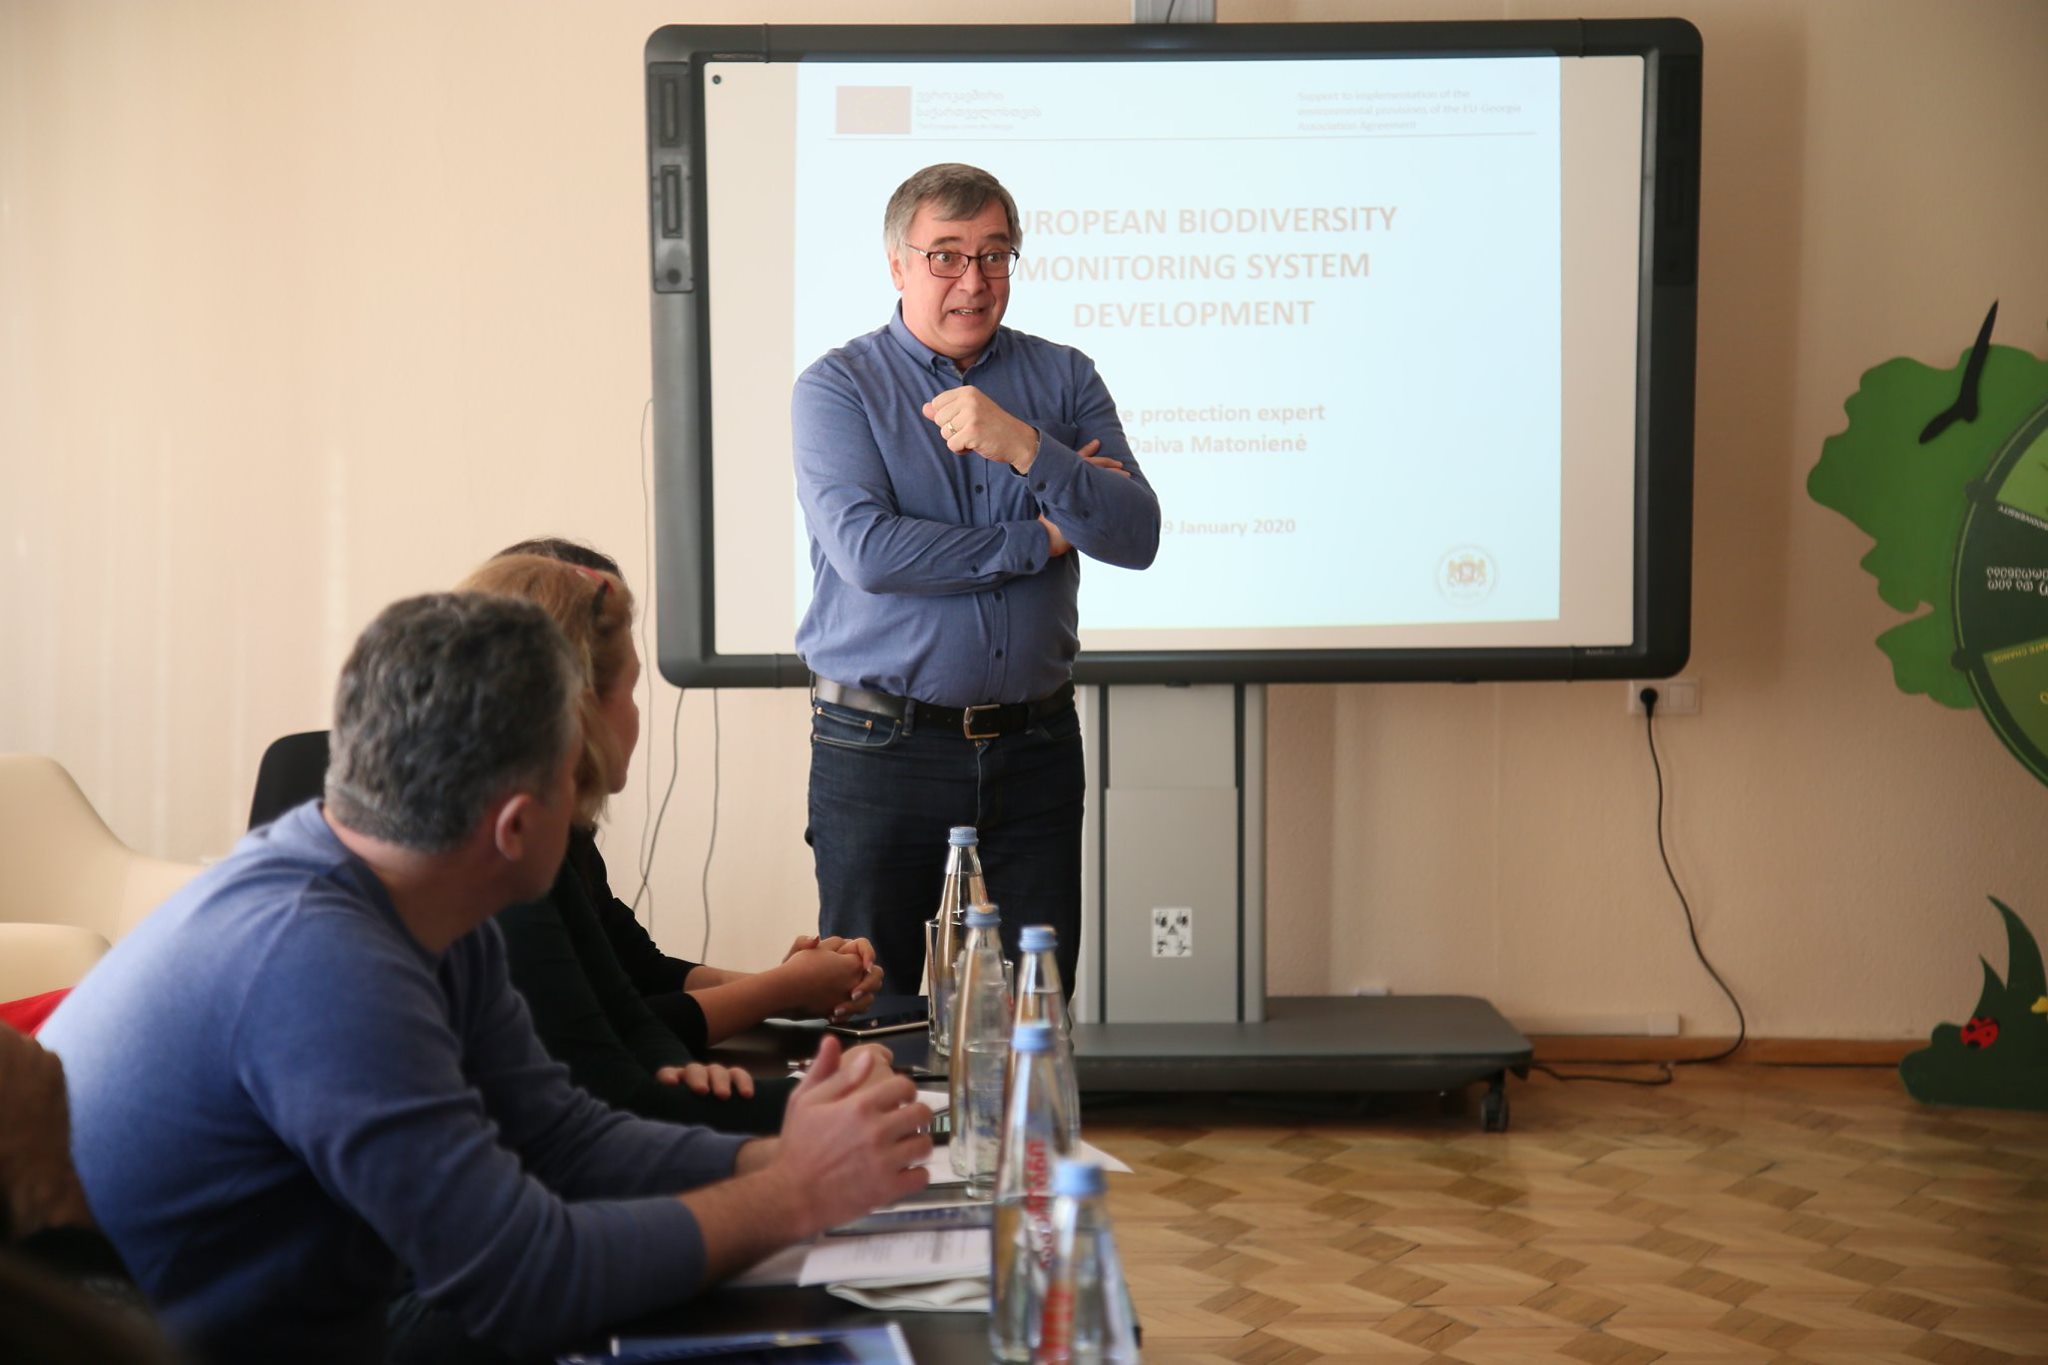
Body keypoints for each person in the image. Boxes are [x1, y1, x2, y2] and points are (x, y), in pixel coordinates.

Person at [39, 593, 931, 1365]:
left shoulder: (414, 889)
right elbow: (523, 1278)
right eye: (574, 774)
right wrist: (793, 1192)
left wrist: (780, 1157)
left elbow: (563, 1137)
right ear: (516, 825)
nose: (587, 799)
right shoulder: (319, 961)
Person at [792, 162, 1161, 993]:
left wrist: (1026, 447)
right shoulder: (838, 389)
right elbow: (871, 555)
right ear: (898, 264)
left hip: (1036, 746)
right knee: (872, 1003)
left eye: (995, 255)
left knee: (1036, 1005)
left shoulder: (1063, 378)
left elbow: (1135, 534)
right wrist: (1042, 535)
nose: (974, 281)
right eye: (947, 256)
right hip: (880, 746)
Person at [459, 549, 879, 1134]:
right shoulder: (506, 865)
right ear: (581, 709)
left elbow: (632, 1006)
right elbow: (611, 1080)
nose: (636, 714)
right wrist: (826, 1078)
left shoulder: (547, 840)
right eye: (632, 690)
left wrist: (792, 990)